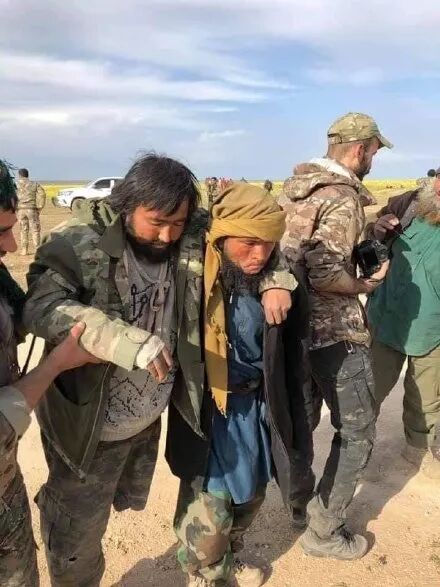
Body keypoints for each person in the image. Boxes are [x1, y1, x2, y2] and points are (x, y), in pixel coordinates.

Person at [23, 153, 295, 586]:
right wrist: (124, 341)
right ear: (127, 205)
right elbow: (41, 307)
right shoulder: (76, 241)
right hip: (90, 427)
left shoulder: (188, 232)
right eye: (156, 223)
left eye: (177, 223)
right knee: (78, 532)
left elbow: (250, 234)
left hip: (146, 419)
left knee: (123, 502)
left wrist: (276, 279)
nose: (167, 235)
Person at [168, 183, 314, 587]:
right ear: (221, 237)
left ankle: (229, 555)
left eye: (268, 245)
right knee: (209, 511)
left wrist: (279, 280)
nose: (259, 255)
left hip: (257, 407)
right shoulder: (190, 271)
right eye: (248, 244)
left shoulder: (271, 275)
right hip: (209, 411)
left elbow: (295, 349)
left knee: (251, 495)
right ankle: (206, 572)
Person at [278, 112, 392, 560]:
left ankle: (299, 505)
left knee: (302, 420)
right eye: (375, 152)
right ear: (360, 149)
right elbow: (326, 272)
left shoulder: (297, 188)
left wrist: (370, 232)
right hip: (333, 332)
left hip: (291, 327)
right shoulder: (342, 197)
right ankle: (324, 532)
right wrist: (366, 284)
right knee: (357, 430)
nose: (374, 160)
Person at [0, 160, 98, 587]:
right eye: (0, 233)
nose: (10, 245)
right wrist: (57, 363)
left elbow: (23, 316)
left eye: (9, 229)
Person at [366, 176, 440, 479]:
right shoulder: (408, 203)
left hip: (432, 329)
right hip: (386, 318)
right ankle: (356, 450)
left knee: (426, 397)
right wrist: (377, 228)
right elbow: (370, 239)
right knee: (370, 388)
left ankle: (417, 449)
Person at [16, 168, 46, 256]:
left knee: (23, 230)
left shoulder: (15, 184)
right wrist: (40, 207)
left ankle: (24, 250)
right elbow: (42, 194)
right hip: (32, 209)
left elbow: (11, 196)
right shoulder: (34, 184)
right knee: (35, 230)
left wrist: (14, 207)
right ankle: (37, 250)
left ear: (19, 175)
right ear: (27, 175)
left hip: (20, 210)